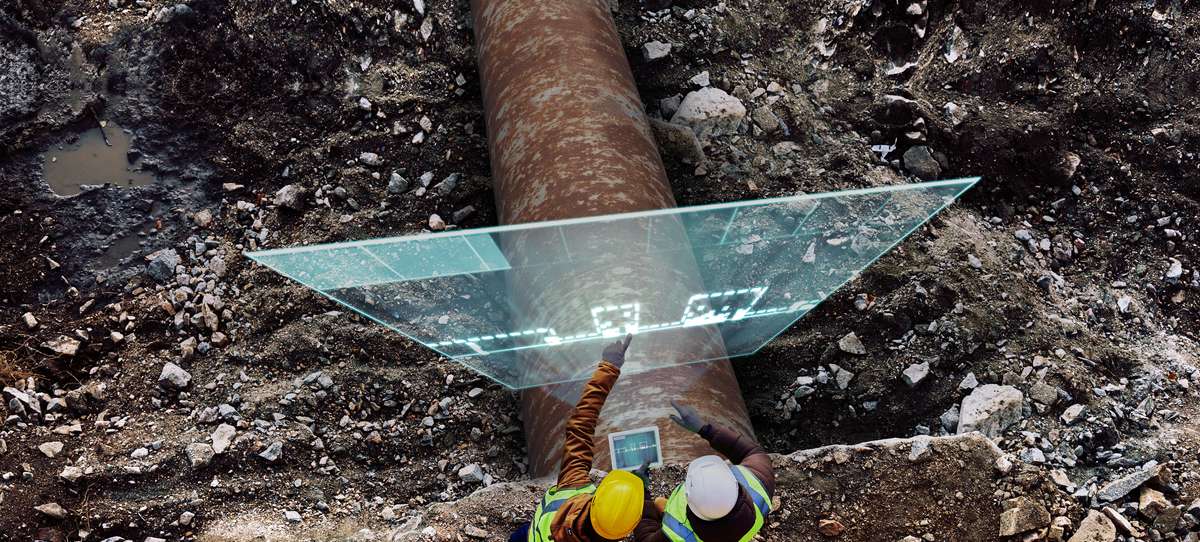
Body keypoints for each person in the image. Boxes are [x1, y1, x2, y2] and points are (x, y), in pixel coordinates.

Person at [511, 334, 645, 542]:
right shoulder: (572, 483)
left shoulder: (572, 485)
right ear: (625, 533)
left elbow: (581, 423)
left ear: (596, 498)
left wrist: (609, 367)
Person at [634, 400, 775, 542]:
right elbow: (752, 452)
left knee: (657, 503)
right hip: (739, 533)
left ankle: (664, 514)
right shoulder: (759, 489)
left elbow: (645, 538)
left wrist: (642, 494)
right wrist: (705, 429)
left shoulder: (678, 535)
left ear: (687, 498)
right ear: (734, 483)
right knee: (659, 503)